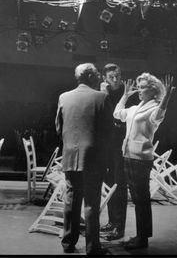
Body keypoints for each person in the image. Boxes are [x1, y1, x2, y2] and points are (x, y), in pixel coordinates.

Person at [55, 63, 113, 255]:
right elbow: (108, 131)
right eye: (97, 74)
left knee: (71, 201)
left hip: (70, 155)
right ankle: (92, 247)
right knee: (91, 203)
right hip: (93, 158)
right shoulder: (102, 97)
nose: (100, 77)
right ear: (89, 76)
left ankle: (68, 243)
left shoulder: (64, 97)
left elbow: (58, 128)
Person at [113, 73, 175, 250]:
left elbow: (158, 116)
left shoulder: (154, 107)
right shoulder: (136, 107)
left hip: (140, 159)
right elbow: (117, 114)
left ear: (153, 91)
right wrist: (125, 95)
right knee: (137, 199)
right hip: (128, 156)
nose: (139, 89)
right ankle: (141, 235)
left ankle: (142, 238)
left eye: (143, 87)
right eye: (138, 86)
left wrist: (167, 96)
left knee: (141, 199)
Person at [100, 63, 139, 241]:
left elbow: (131, 117)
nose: (115, 79)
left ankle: (119, 228)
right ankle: (111, 221)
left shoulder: (129, 92)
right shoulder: (103, 92)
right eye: (111, 77)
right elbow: (102, 115)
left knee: (120, 186)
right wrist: (104, 95)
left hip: (121, 147)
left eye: (117, 75)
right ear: (105, 78)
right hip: (106, 146)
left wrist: (118, 125)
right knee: (109, 185)